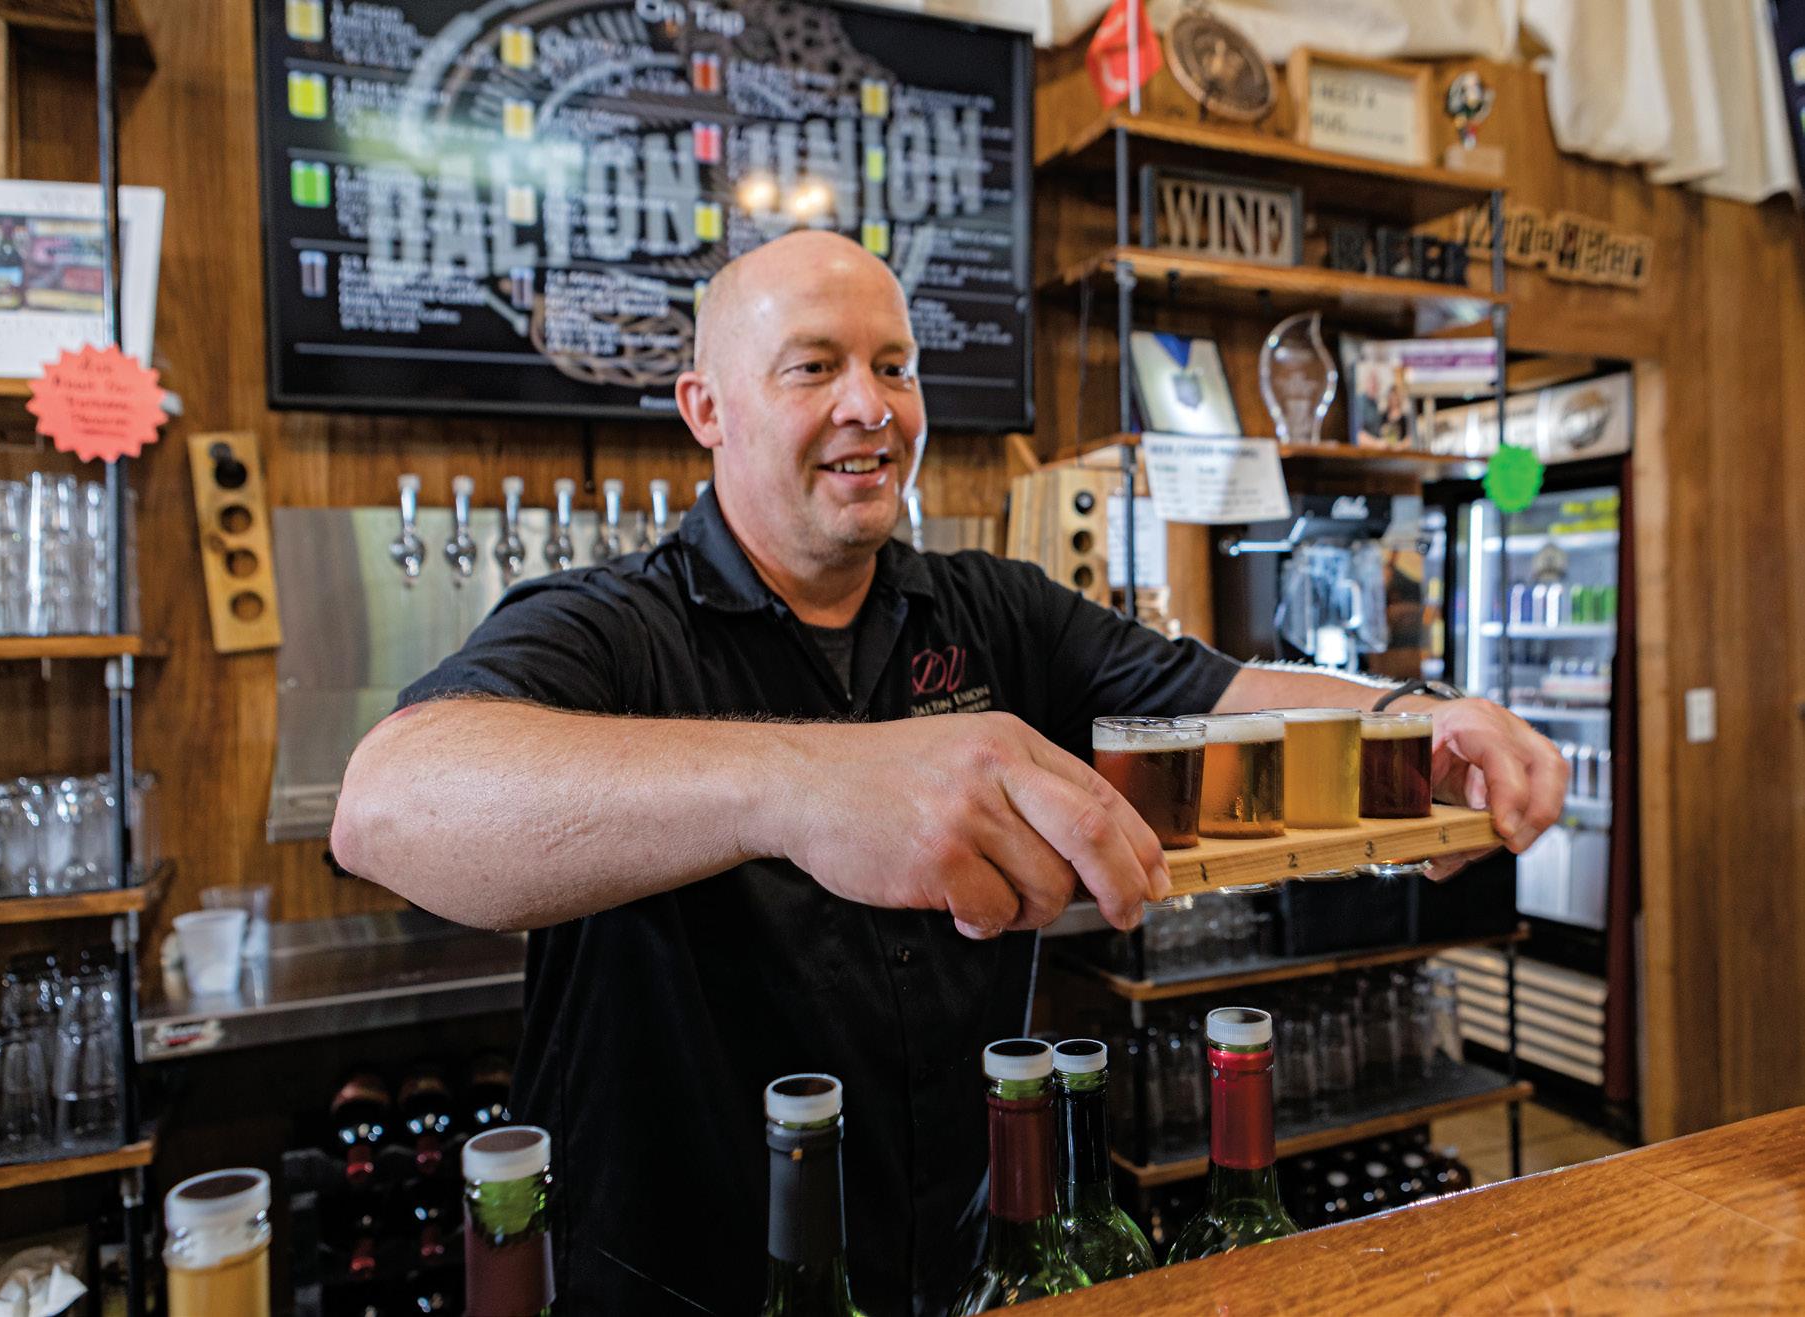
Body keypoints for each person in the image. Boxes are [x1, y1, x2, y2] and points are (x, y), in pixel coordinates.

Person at [331, 231, 1566, 1315]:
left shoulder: (995, 613)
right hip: (675, 1289)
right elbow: (389, 804)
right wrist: (802, 790)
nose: (871, 406)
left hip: (964, 1267)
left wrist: (1420, 717)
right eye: (814, 367)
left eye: (896, 366)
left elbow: (1218, 693)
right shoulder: (610, 627)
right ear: (706, 408)